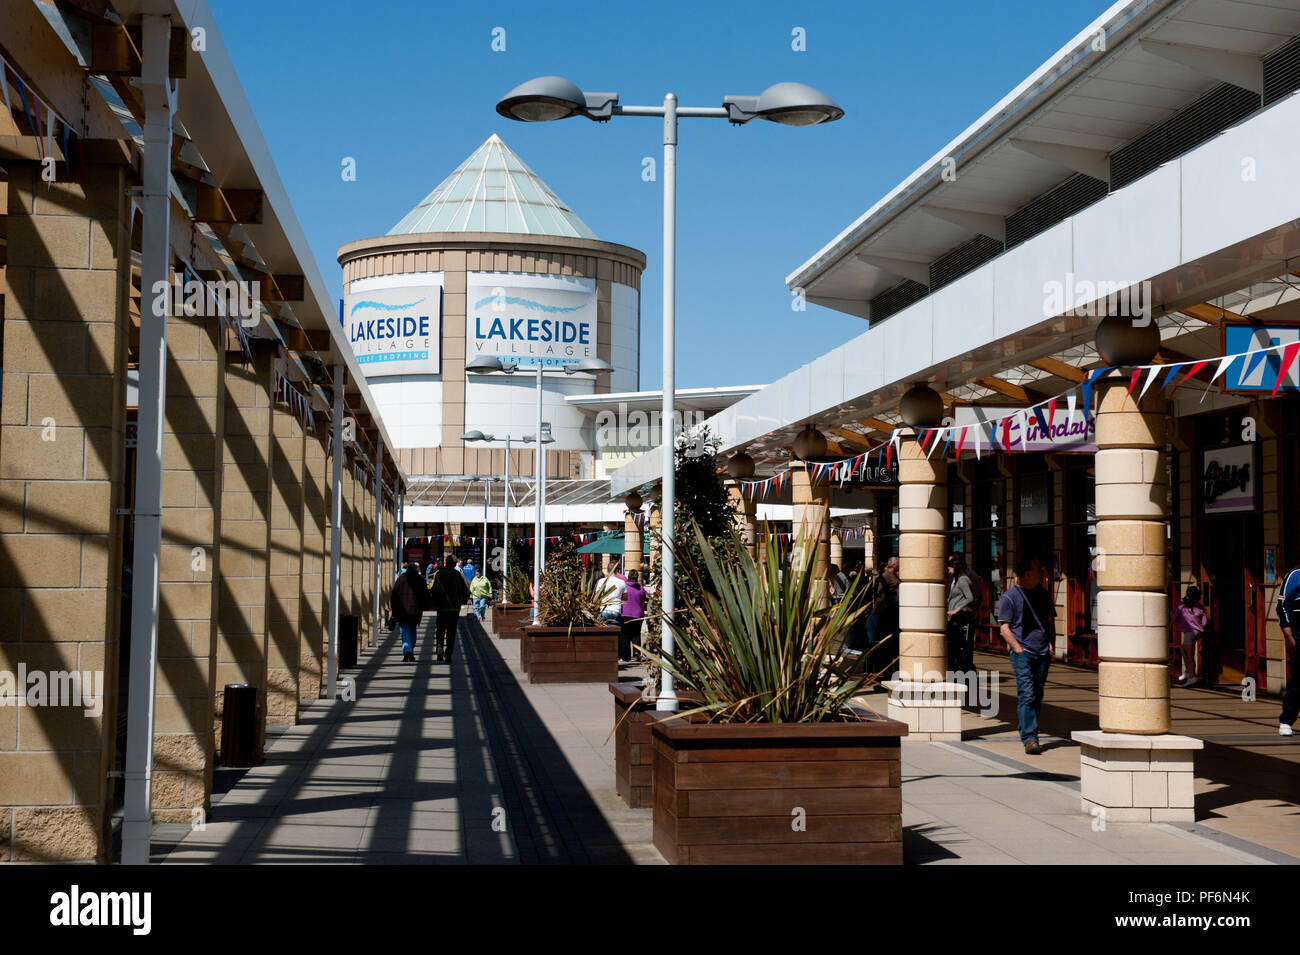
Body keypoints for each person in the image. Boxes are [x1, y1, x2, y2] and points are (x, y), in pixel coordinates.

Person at [997, 557, 1056, 755]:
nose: (1042, 573)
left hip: (1042, 652)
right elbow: (1004, 628)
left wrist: (1050, 643)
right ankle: (1030, 737)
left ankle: (1027, 728)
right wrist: (1017, 648)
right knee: (1027, 694)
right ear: (1028, 574)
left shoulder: (1044, 595)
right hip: (1023, 652)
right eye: (1039, 570)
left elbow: (1049, 622)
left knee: (1037, 694)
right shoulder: (1010, 597)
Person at [428, 555, 470, 662]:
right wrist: (461, 602)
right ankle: (448, 654)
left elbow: (433, 590)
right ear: (455, 563)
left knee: (440, 630)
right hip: (454, 608)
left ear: (446, 563)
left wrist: (434, 603)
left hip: (442, 608)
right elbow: (465, 590)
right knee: (451, 632)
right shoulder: (457, 574)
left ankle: (439, 651)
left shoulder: (439, 574)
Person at [1276, 565, 1300, 736]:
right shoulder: (1294, 575)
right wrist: (1288, 633)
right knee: (1298, 680)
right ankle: (1286, 720)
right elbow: (1282, 605)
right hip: (1299, 634)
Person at [946, 553, 979, 676]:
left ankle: (964, 670)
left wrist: (957, 609)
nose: (948, 572)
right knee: (955, 645)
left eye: (949, 569)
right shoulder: (956, 579)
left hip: (963, 618)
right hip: (955, 617)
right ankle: (957, 669)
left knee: (963, 646)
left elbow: (970, 597)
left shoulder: (964, 579)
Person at [390, 561, 429, 663]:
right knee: (413, 630)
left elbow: (394, 595)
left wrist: (394, 610)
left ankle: (407, 650)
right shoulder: (420, 579)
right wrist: (425, 606)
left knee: (404, 631)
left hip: (402, 611)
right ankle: (410, 650)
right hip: (415, 610)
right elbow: (425, 595)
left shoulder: (401, 579)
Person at [1170, 585, 1208, 687]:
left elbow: (1173, 617)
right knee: (1183, 649)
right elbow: (1204, 622)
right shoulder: (1199, 607)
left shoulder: (1183, 606)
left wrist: (1169, 626)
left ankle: (1192, 677)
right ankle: (1187, 672)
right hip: (1196, 632)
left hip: (1190, 632)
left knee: (1189, 655)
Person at [619, 569, 647, 662]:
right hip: (637, 614)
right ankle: (637, 654)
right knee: (636, 635)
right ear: (637, 577)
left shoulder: (624, 586)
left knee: (625, 635)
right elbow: (643, 600)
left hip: (625, 613)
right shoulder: (641, 589)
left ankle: (625, 656)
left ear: (628, 576)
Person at [872, 556, 901, 645]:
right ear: (894, 564)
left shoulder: (894, 575)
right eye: (899, 562)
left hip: (894, 607)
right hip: (888, 608)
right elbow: (880, 592)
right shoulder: (886, 576)